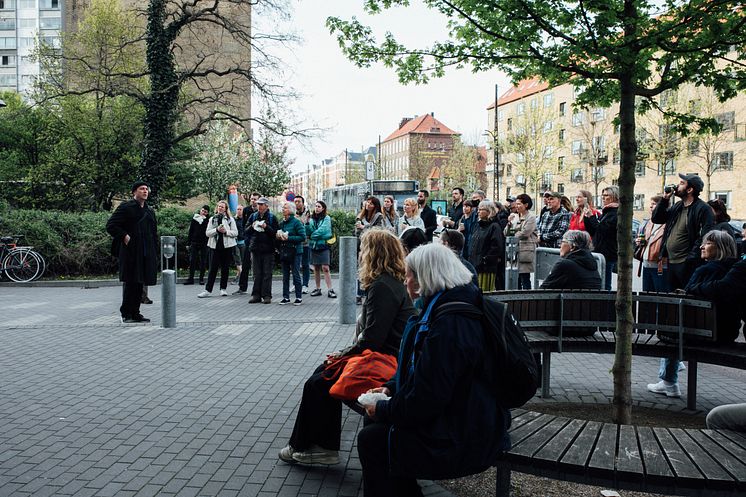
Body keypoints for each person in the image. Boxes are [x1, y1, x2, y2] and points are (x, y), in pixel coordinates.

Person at [357, 243, 510, 497]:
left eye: (408, 274)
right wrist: (391, 387)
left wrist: (385, 408)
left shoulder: (450, 323)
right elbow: (423, 371)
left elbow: (428, 396)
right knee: (376, 429)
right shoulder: (451, 305)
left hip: (465, 434)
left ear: (423, 278)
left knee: (372, 440)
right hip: (468, 417)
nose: (404, 280)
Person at [278, 229, 415, 465]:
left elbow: (372, 338)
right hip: (386, 355)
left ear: (373, 253)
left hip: (384, 360)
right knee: (322, 375)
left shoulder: (382, 286)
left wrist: (342, 355)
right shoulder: (389, 282)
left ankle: (316, 448)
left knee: (319, 382)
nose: (360, 254)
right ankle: (313, 446)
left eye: (363, 249)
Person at [647, 230, 740, 398]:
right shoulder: (735, 272)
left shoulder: (706, 271)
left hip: (703, 335)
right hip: (727, 334)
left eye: (708, 243)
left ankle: (669, 381)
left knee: (670, 331)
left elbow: (688, 293)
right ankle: (670, 377)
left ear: (721, 248)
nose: (702, 246)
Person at [105, 181, 158, 323]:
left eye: (147, 189)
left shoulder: (149, 210)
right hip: (130, 252)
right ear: (134, 192)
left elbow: (153, 232)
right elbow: (111, 225)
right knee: (130, 282)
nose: (145, 191)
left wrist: (155, 251)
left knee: (140, 283)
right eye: (142, 189)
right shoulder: (126, 207)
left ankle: (135, 313)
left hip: (146, 252)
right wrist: (125, 237)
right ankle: (126, 314)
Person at [651, 172, 714, 290]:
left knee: (687, 296)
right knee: (672, 298)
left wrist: (690, 259)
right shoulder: (678, 206)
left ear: (689, 189)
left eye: (681, 183)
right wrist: (664, 200)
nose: (677, 186)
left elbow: (705, 235)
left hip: (687, 263)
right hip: (671, 261)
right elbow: (657, 219)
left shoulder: (703, 209)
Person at [197, 200, 239, 298]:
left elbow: (235, 232)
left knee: (225, 268)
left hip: (227, 247)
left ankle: (223, 289)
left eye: (222, 207)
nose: (220, 208)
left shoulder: (230, 219)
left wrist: (226, 231)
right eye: (219, 206)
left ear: (226, 209)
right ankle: (208, 290)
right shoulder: (212, 219)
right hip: (214, 247)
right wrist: (216, 230)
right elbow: (207, 233)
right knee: (213, 269)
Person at [584, 186, 619, 291]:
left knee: (605, 284)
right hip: (599, 252)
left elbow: (602, 230)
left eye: (606, 195)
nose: (603, 198)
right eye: (602, 195)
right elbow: (594, 232)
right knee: (599, 283)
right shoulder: (606, 212)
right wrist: (587, 217)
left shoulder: (615, 213)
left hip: (607, 254)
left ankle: (606, 305)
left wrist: (591, 217)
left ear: (615, 196)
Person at [467, 200, 505, 292]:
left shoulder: (494, 226)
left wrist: (484, 260)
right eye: (478, 209)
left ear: (489, 211)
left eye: (481, 209)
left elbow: (496, 247)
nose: (478, 212)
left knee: (484, 293)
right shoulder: (478, 225)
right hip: (474, 265)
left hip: (486, 268)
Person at [246, 197, 278, 304]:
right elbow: (246, 230)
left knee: (267, 273)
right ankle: (256, 295)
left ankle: (267, 295)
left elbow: (275, 233)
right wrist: (252, 226)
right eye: (258, 204)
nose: (259, 206)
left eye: (261, 204)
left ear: (266, 206)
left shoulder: (272, 217)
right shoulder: (253, 216)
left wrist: (266, 227)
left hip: (268, 249)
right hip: (255, 248)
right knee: (256, 273)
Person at [274, 201, 306, 305]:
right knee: (285, 275)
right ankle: (286, 297)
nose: (283, 209)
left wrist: (289, 238)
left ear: (291, 211)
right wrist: (278, 236)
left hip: (295, 251)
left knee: (296, 273)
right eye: (283, 208)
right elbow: (279, 235)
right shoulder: (282, 222)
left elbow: (302, 237)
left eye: (285, 208)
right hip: (285, 250)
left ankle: (298, 297)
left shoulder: (296, 222)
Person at [637, 195, 670, 292]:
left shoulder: (668, 224)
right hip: (646, 264)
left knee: (660, 296)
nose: (651, 207)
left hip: (660, 266)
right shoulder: (648, 223)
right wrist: (639, 242)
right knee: (647, 297)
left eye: (654, 204)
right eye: (650, 204)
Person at [506, 193, 538, 290]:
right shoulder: (514, 217)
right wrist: (509, 223)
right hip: (514, 252)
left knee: (525, 278)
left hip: (525, 251)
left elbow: (525, 233)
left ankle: (527, 301)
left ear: (526, 205)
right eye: (516, 204)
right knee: (516, 279)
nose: (517, 206)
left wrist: (512, 235)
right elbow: (505, 233)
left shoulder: (531, 218)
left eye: (519, 204)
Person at [307, 201, 336, 298]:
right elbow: (307, 231)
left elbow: (324, 231)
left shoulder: (326, 218)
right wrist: (307, 224)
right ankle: (318, 288)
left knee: (325, 268)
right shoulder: (311, 219)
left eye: (319, 206)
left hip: (323, 245)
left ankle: (330, 289)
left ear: (323, 208)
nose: (316, 208)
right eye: (315, 206)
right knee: (316, 268)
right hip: (314, 246)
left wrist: (312, 235)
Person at [234, 192, 260, 295]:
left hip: (258, 241)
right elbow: (245, 226)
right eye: (252, 199)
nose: (253, 200)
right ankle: (242, 287)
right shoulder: (246, 210)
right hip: (248, 240)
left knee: (257, 265)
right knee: (245, 264)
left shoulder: (262, 210)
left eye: (255, 199)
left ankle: (257, 287)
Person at [184, 205, 210, 285]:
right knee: (192, 260)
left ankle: (201, 279)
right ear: (200, 210)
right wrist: (188, 243)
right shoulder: (195, 218)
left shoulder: (208, 220)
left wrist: (203, 220)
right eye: (202, 211)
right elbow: (191, 231)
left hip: (204, 243)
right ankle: (190, 279)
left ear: (207, 213)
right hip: (194, 242)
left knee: (203, 261)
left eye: (205, 212)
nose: (203, 212)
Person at [294, 195, 312, 293]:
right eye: (295, 201)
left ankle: (305, 285)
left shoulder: (308, 214)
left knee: (305, 264)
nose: (297, 203)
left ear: (303, 203)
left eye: (299, 201)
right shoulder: (292, 213)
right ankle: (296, 284)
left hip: (305, 243)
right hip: (296, 243)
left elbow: (309, 228)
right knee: (295, 265)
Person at [233, 204, 245, 285]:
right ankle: (241, 275)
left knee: (242, 261)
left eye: (240, 209)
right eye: (238, 209)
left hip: (243, 242)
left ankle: (239, 277)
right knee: (238, 260)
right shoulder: (233, 219)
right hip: (235, 242)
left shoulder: (245, 219)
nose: (239, 210)